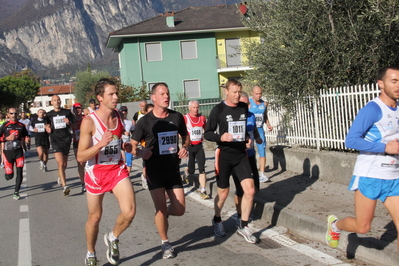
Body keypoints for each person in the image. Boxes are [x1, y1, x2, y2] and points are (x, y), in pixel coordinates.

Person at [326, 66, 399, 253]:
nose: (398, 85)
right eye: (394, 81)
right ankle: (335, 225)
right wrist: (385, 147)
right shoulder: (373, 109)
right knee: (363, 227)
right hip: (370, 175)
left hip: (394, 177)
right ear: (381, 84)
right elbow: (351, 140)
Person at [77, 78, 136, 266]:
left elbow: (118, 142)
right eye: (111, 94)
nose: (116, 97)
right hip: (96, 173)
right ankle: (91, 253)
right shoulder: (89, 122)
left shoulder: (118, 116)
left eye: (116, 93)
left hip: (116, 169)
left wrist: (129, 147)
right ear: (100, 98)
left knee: (129, 212)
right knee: (94, 218)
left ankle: (113, 236)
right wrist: (101, 143)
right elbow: (80, 156)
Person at [131, 82, 189, 259]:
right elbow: (132, 146)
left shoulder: (177, 117)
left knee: (179, 209)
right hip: (154, 170)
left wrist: (185, 146)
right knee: (161, 208)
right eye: (162, 94)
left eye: (168, 93)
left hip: (173, 169)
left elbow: (185, 136)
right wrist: (141, 152)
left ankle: (162, 219)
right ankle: (165, 243)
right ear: (154, 98)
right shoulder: (145, 121)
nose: (166, 97)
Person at [204, 78, 256, 243]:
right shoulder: (218, 109)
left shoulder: (242, 107)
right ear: (226, 91)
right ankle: (217, 219)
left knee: (250, 190)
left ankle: (244, 225)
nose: (237, 95)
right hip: (224, 156)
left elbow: (243, 129)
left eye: (239, 92)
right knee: (223, 193)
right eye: (234, 92)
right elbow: (207, 133)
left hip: (241, 155)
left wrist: (248, 139)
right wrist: (221, 137)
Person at [233, 91, 262, 227]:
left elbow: (254, 129)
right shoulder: (236, 117)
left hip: (250, 155)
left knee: (255, 186)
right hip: (238, 157)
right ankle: (240, 215)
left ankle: (247, 207)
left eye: (246, 103)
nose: (245, 106)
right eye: (242, 104)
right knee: (240, 188)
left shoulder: (251, 116)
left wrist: (257, 137)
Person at [46, 95, 75, 196]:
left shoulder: (67, 112)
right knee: (61, 162)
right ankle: (65, 186)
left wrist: (69, 123)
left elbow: (74, 125)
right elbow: (47, 124)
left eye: (58, 100)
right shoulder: (49, 114)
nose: (57, 101)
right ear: (51, 102)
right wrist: (47, 128)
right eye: (55, 100)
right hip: (55, 140)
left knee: (64, 164)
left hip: (66, 140)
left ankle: (60, 176)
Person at [182, 100, 210, 199]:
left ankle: (203, 190)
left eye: (197, 107)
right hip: (190, 147)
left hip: (199, 146)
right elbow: (180, 131)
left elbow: (206, 130)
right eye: (193, 107)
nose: (196, 109)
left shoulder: (202, 118)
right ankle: (186, 172)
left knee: (202, 168)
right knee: (192, 170)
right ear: (189, 108)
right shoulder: (185, 118)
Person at [0, 108, 28, 200]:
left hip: (18, 152)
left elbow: (26, 134)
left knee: (19, 171)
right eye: (11, 113)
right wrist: (7, 138)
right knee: (9, 176)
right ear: (8, 114)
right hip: (8, 153)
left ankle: (16, 192)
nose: (14, 115)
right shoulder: (4, 125)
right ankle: (7, 174)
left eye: (15, 113)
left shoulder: (21, 125)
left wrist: (27, 138)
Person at [249, 85, 273, 182]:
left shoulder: (265, 104)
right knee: (249, 151)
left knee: (262, 151)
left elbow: (265, 115)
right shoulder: (248, 103)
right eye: (256, 94)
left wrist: (268, 124)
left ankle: (262, 174)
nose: (259, 95)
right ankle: (249, 171)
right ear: (252, 93)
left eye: (260, 93)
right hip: (250, 130)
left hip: (259, 130)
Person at [139, 103, 154, 189]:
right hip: (145, 147)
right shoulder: (143, 122)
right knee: (145, 168)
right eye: (150, 112)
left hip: (155, 148)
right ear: (145, 112)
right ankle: (144, 177)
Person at [72, 102, 86, 192]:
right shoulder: (71, 120)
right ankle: (83, 183)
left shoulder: (86, 118)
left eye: (79, 108)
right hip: (76, 143)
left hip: (86, 143)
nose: (78, 110)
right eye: (76, 108)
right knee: (80, 163)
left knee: (88, 163)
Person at [120, 106, 135, 174]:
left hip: (128, 144)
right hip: (120, 145)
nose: (123, 112)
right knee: (122, 163)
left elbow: (134, 132)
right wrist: (123, 132)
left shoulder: (130, 122)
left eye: (125, 111)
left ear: (127, 112)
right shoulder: (117, 122)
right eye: (122, 111)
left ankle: (127, 177)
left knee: (129, 162)